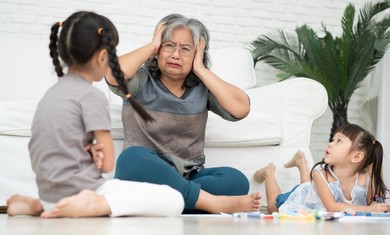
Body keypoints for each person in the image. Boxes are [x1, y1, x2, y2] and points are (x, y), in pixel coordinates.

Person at [6, 11, 184, 218]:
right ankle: (93, 206)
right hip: (84, 192)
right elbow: (108, 165)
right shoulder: (92, 97)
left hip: (49, 193)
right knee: (174, 199)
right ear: (102, 57)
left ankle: (39, 205)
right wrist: (97, 158)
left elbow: (51, 147)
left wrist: (87, 152)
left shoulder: (50, 95)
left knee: (106, 192)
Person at [105, 13, 261, 214]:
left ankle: (174, 202)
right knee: (131, 158)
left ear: (197, 55)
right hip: (146, 175)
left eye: (185, 49)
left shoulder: (201, 89)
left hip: (188, 176)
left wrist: (201, 70)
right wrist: (152, 46)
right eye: (169, 45)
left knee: (236, 180)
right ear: (159, 50)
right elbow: (111, 73)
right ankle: (208, 203)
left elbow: (241, 108)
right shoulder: (141, 80)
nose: (175, 54)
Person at [254, 123, 389, 214]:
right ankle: (269, 172)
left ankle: (301, 162)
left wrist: (380, 207)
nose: (330, 144)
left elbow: (374, 205)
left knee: (309, 186)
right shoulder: (320, 173)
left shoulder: (365, 180)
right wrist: (370, 209)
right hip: (304, 199)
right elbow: (332, 207)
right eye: (333, 139)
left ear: (356, 157)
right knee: (273, 207)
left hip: (314, 196)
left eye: (339, 141)